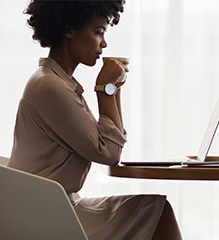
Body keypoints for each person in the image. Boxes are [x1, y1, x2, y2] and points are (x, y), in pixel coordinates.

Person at [8, 1, 182, 239]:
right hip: (44, 215)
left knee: (157, 210)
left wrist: (113, 88)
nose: (104, 43)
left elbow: (112, 145)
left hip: (50, 205)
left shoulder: (57, 83)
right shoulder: (50, 87)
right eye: (98, 32)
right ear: (69, 29)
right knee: (157, 212)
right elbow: (109, 153)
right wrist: (104, 89)